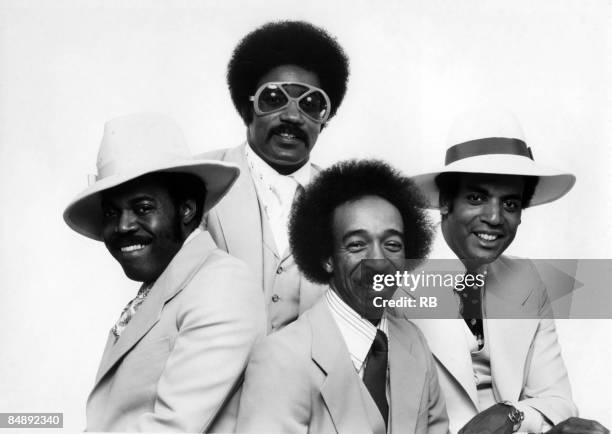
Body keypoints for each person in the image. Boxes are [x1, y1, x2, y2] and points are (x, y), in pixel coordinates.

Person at [63, 113, 265, 432]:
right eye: (112, 212)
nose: (123, 225)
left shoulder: (221, 284)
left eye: (143, 208)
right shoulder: (166, 286)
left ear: (187, 209)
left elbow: (172, 428)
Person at [410, 109, 608, 433]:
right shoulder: (395, 280)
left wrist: (512, 414)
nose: (494, 217)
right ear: (446, 202)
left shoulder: (527, 279)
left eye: (510, 204)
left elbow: (558, 401)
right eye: (476, 197)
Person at [236, 160, 448, 434]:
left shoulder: (413, 341)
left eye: (392, 244)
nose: (378, 261)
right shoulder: (280, 359)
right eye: (357, 244)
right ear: (326, 258)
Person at [198, 20, 350, 332]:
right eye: (274, 98)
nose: (293, 116)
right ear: (247, 105)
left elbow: (401, 294)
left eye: (311, 104)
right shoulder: (198, 180)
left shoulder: (347, 200)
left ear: (324, 119)